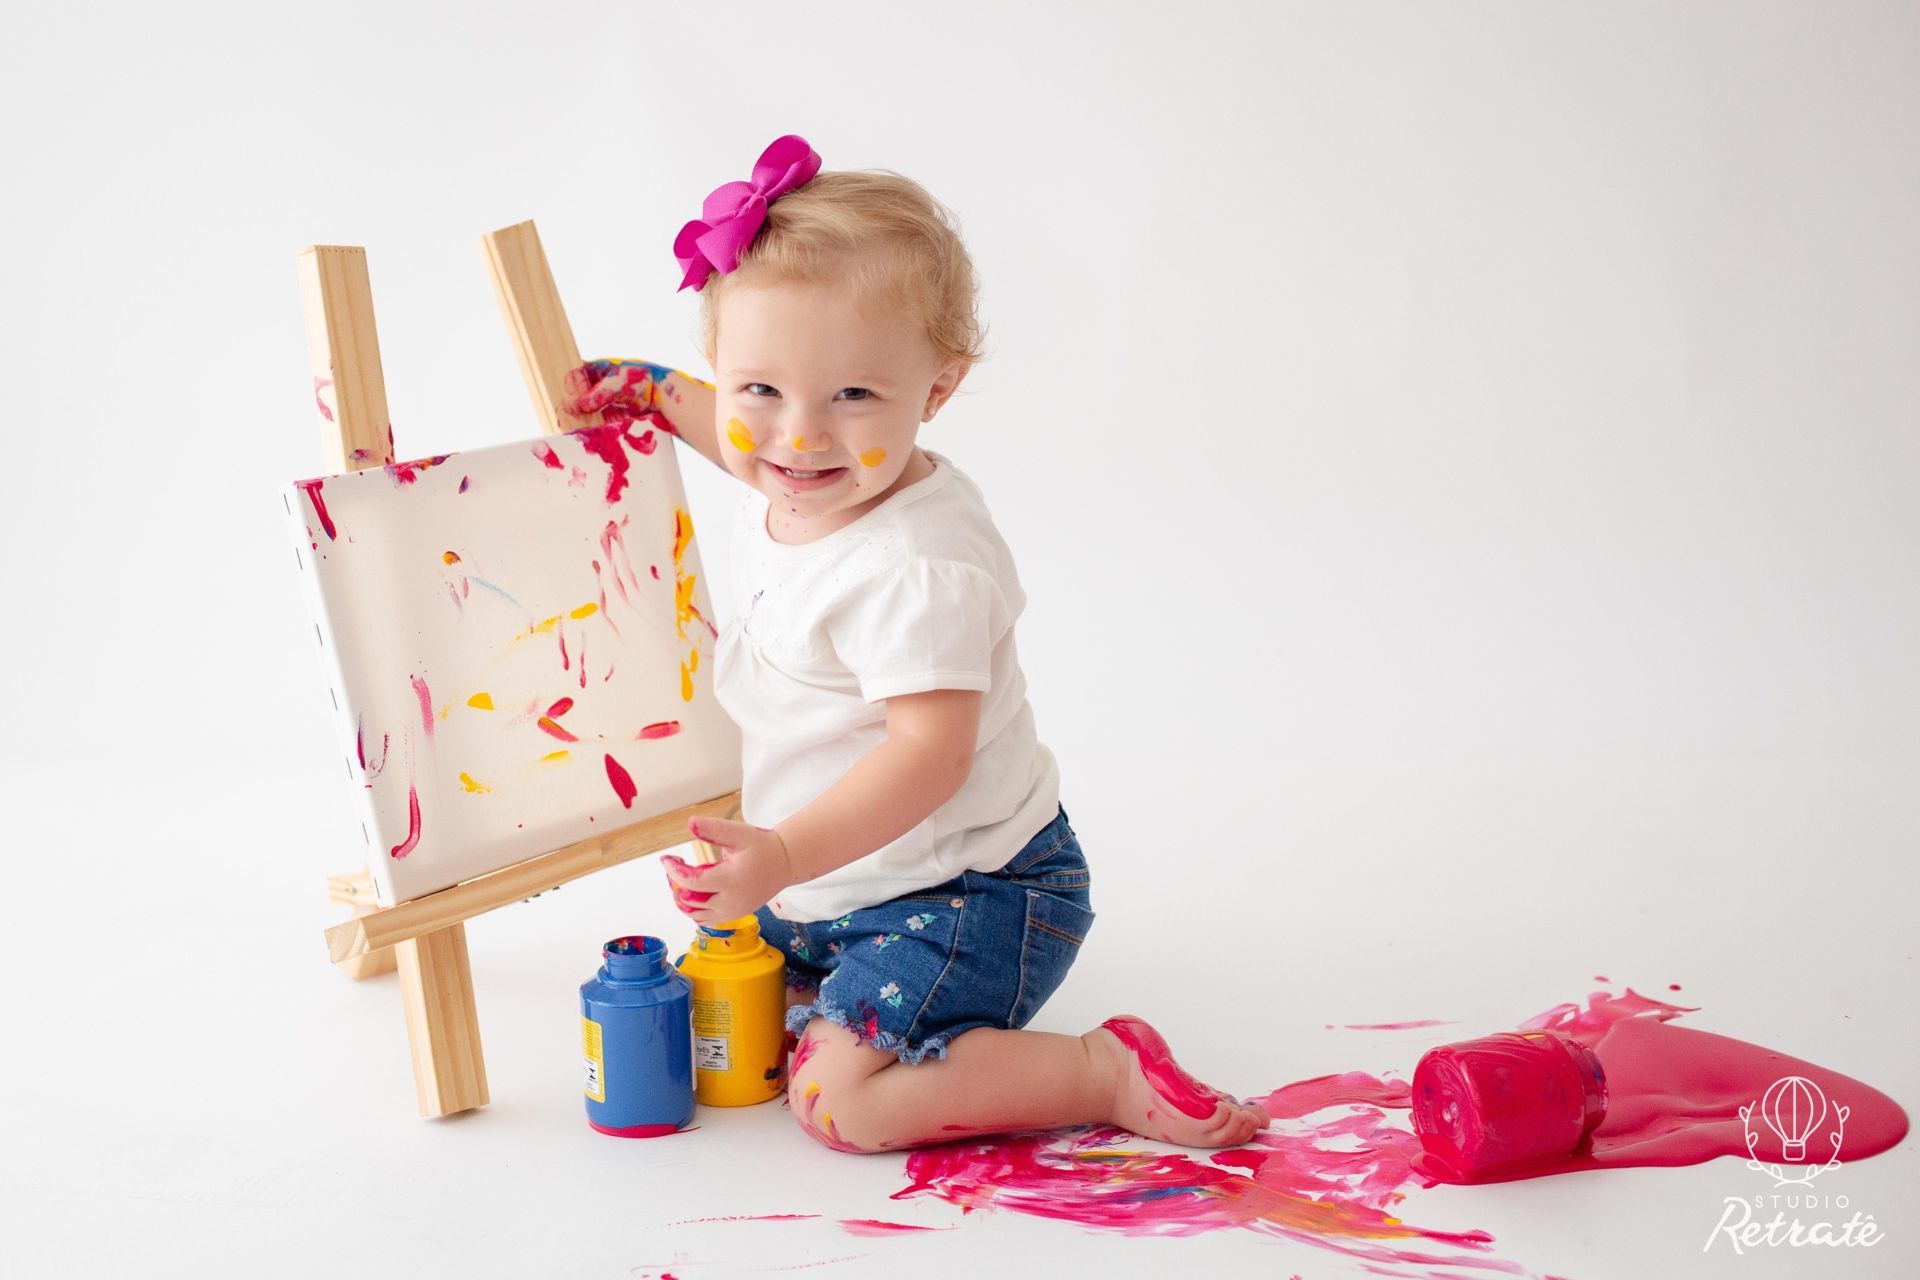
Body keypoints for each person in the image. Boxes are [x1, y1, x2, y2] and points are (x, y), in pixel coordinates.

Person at [566, 135, 1271, 1154]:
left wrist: (783, 851)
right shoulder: (790, 461)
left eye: (853, 396)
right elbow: (737, 431)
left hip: (966, 893)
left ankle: (1097, 1070)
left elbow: (928, 756)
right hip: (836, 882)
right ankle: (835, 962)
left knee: (835, 1102)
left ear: (938, 389)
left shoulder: (914, 566)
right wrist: (647, 389)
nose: (797, 438)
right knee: (741, 1020)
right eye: (758, 389)